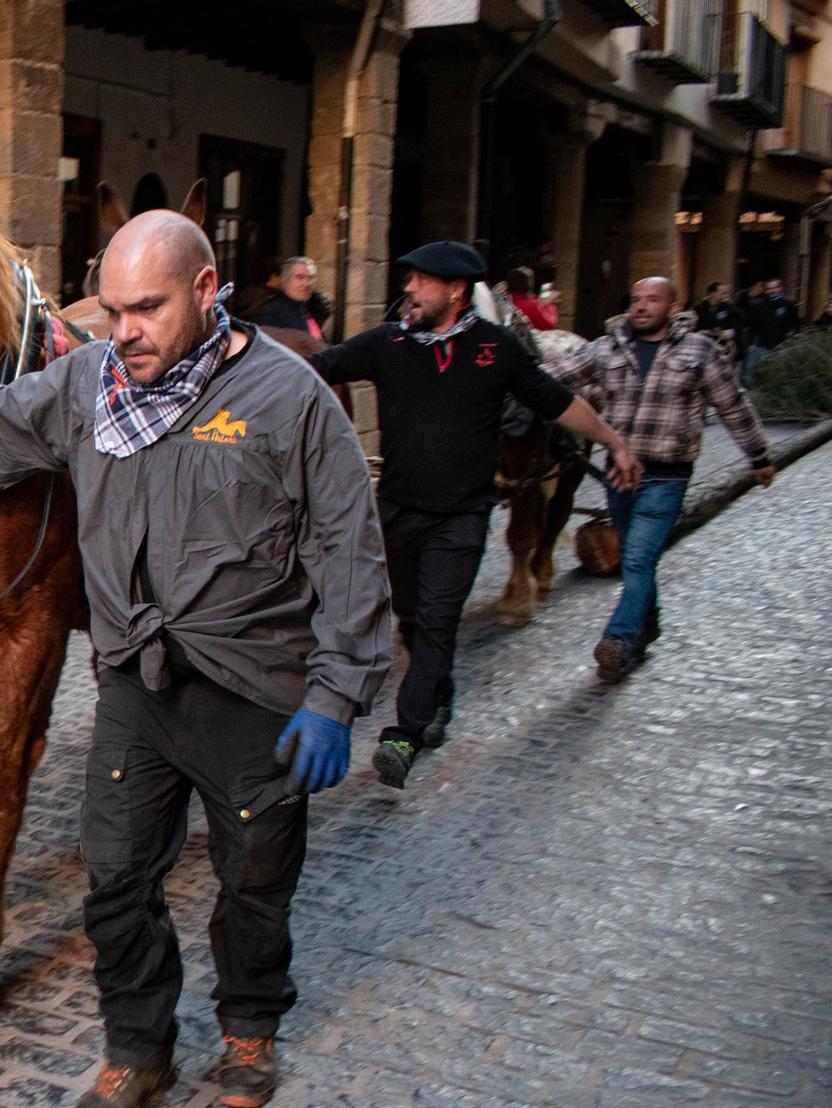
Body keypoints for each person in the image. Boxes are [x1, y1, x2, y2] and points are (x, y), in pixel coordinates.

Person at [0, 211, 393, 1108]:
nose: (124, 329)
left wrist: (337, 696)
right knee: (118, 880)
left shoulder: (289, 401)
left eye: (148, 308)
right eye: (116, 308)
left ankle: (250, 1026)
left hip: (255, 691)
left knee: (255, 876)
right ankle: (137, 1049)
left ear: (207, 293)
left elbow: (350, 548)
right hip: (139, 683)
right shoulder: (90, 383)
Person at [309, 241, 639, 789]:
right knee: (412, 622)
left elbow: (557, 401)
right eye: (408, 279)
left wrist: (614, 442)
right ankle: (440, 695)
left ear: (456, 290)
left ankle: (404, 735)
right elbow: (312, 367)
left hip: (461, 519)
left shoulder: (496, 348)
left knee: (438, 623)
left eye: (420, 280)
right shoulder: (387, 344)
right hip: (397, 514)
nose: (408, 289)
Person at [545, 277, 773, 682]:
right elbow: (553, 377)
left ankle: (618, 638)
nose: (642, 306)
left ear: (672, 306)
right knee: (637, 556)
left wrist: (758, 456)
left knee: (636, 557)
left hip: (667, 476)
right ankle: (647, 624)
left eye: (652, 300)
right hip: (619, 474)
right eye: (636, 299)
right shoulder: (607, 348)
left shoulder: (699, 351)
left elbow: (732, 405)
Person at [742, 276, 800, 385]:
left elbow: (795, 325)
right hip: (763, 346)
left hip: (783, 347)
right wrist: (750, 343)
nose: (772, 291)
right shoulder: (758, 306)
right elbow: (752, 327)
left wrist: (795, 340)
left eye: (774, 288)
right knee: (753, 374)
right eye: (769, 289)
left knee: (780, 376)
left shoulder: (789, 305)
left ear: (780, 288)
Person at [252, 257, 326, 339]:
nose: (306, 284)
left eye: (311, 278)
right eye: (300, 277)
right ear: (285, 281)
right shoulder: (271, 312)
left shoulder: (308, 308)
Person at [505, 266, 558, 332]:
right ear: (529, 284)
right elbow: (549, 325)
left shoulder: (503, 301)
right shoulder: (528, 305)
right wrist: (549, 304)